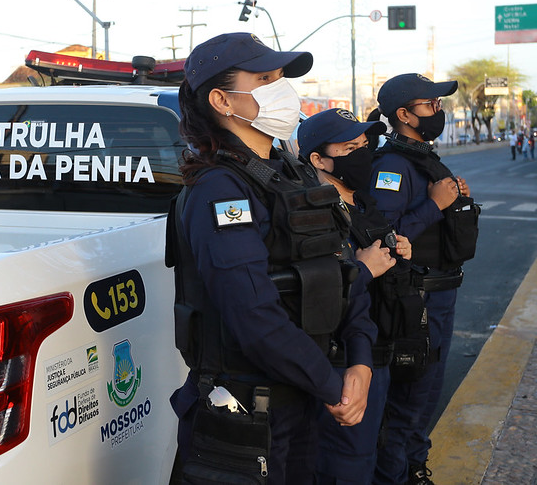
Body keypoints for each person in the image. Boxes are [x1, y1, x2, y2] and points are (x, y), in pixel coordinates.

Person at [165, 32, 388, 483]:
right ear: (222, 100)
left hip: (305, 399)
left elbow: (344, 273)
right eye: (265, 78)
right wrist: (336, 388)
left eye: (281, 76)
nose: (282, 88)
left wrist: (360, 362)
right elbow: (253, 315)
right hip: (247, 417)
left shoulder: (296, 172)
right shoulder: (219, 189)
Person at [367, 73, 481, 485]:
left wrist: (454, 199)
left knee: (427, 396)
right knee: (409, 399)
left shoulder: (423, 156)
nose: (439, 111)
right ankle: (395, 476)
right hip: (415, 301)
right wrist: (436, 204)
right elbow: (387, 235)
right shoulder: (392, 166)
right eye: (430, 104)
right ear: (404, 115)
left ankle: (414, 467)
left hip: (440, 295)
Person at [297, 108, 420, 485]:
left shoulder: (361, 204)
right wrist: (364, 269)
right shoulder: (307, 212)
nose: (364, 154)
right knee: (344, 466)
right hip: (341, 364)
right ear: (318, 159)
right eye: (351, 147)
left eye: (366, 144)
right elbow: (309, 295)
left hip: (378, 353)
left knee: (371, 455)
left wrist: (398, 251)